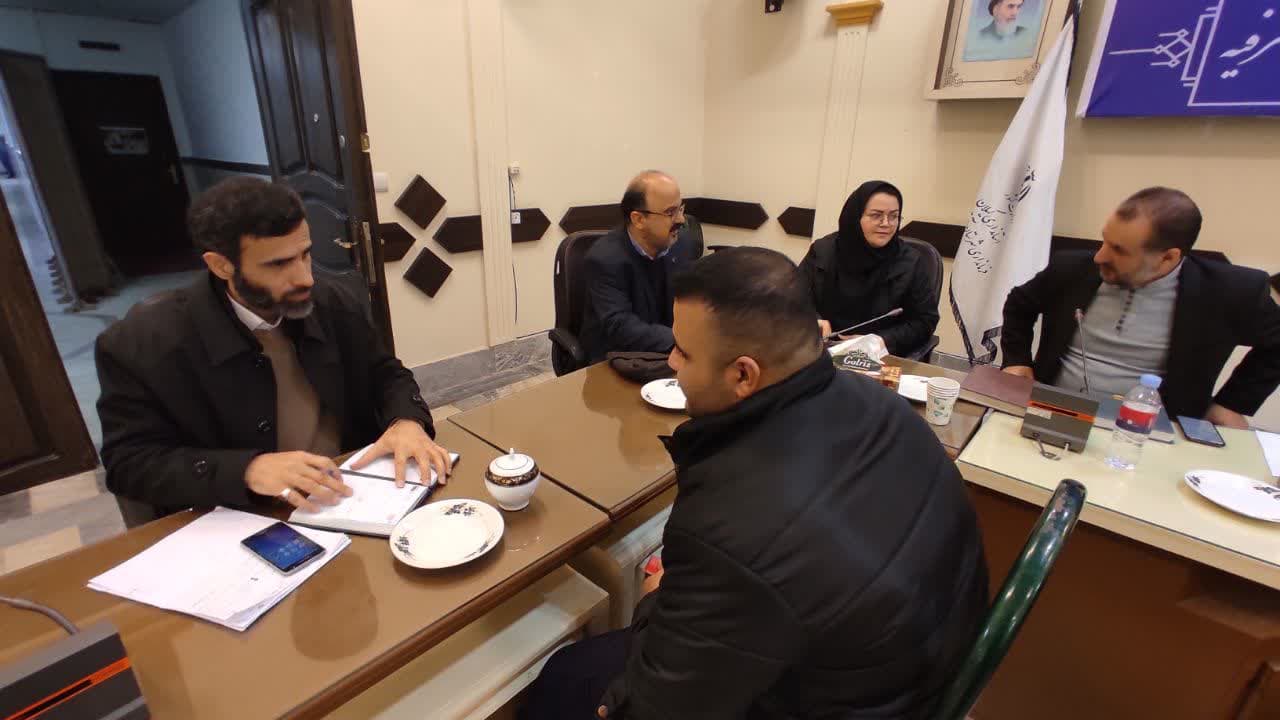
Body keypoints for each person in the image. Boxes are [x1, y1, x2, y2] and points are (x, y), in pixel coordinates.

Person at [521, 247, 989, 719]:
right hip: (922, 676)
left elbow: (655, 707)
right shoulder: (885, 407)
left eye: (683, 350)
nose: (672, 361)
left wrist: (654, 600)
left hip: (852, 701)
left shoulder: (732, 531)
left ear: (743, 374)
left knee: (565, 677)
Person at [96, 177, 453, 523]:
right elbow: (129, 463)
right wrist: (247, 469)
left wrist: (406, 421)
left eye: (305, 254)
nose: (305, 278)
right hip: (240, 515)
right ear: (221, 265)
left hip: (351, 497)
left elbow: (386, 374)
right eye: (278, 264)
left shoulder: (333, 301)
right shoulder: (141, 344)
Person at [1001, 187, 1280, 428]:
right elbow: (1019, 304)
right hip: (1053, 411)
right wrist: (1017, 359)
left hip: (1149, 430)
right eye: (1105, 240)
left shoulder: (1229, 292)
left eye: (1119, 250)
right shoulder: (1072, 268)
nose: (1100, 256)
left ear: (1167, 258)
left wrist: (1232, 404)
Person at [798, 180, 940, 357]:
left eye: (894, 216)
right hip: (820, 349)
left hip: (881, 356)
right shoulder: (823, 251)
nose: (886, 223)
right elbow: (794, 298)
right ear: (855, 216)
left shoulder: (911, 262)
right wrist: (813, 321)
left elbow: (925, 321)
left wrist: (881, 340)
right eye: (876, 215)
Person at [578, 170, 696, 364]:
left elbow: (691, 300)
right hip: (617, 359)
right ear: (639, 219)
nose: (681, 220)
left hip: (669, 354)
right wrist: (683, 342)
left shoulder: (681, 245)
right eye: (671, 213)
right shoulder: (604, 259)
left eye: (681, 209)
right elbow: (621, 327)